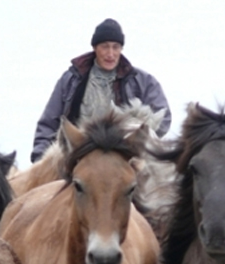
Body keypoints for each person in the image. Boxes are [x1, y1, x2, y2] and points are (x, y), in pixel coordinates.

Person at [30, 18, 171, 163]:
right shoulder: (71, 79)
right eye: (105, 46)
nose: (110, 53)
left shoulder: (143, 81)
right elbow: (49, 122)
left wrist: (137, 139)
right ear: (95, 47)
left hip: (125, 159)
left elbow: (163, 117)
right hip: (79, 158)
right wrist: (40, 160)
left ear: (121, 49)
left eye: (116, 47)